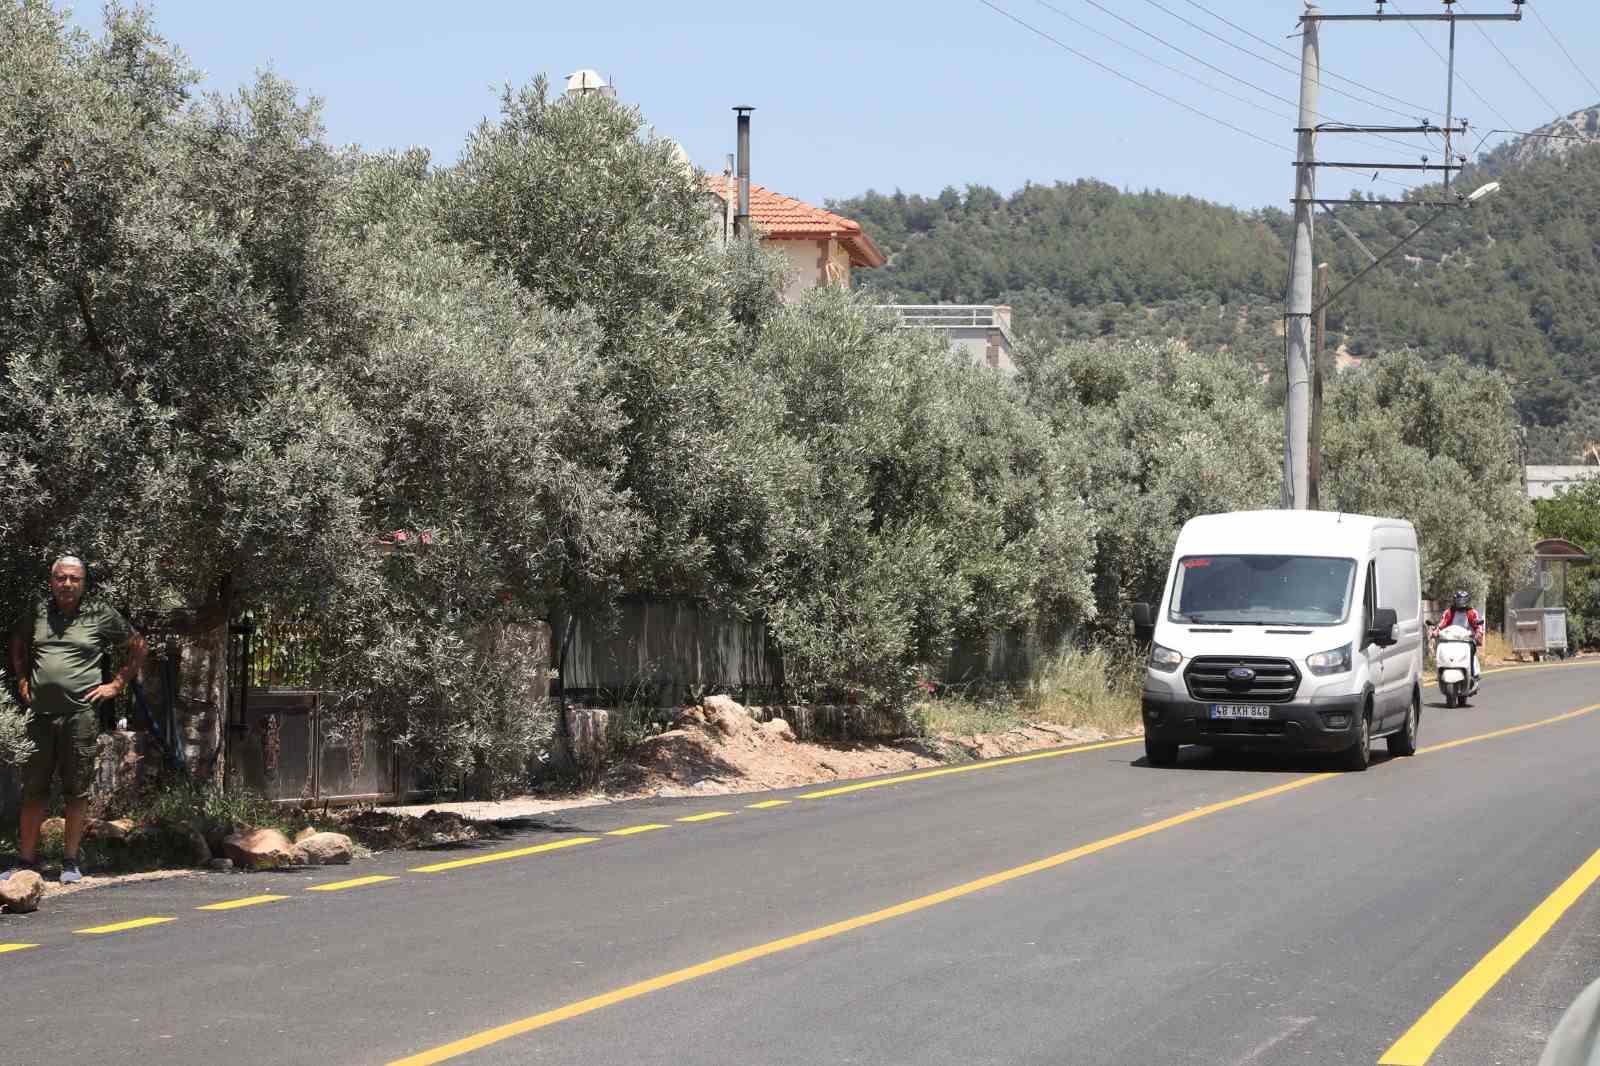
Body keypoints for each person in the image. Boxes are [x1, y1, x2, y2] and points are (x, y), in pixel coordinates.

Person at [3, 557, 145, 884]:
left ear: (83, 583)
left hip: (80, 717)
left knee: (76, 790)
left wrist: (117, 684)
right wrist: (23, 680)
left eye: (74, 579)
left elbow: (138, 646)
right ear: (52, 581)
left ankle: (70, 861)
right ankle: (26, 860)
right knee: (33, 789)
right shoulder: (37, 613)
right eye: (61, 578)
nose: (67, 584)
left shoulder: (100, 615)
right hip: (38, 718)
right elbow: (17, 644)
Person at [1436, 589, 1485, 683]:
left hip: (1467, 639)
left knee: (1471, 650)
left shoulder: (1472, 612)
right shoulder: (1449, 612)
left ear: (1467, 601)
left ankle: (1473, 673)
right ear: (1454, 601)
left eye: (1462, 600)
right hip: (1451, 639)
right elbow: (1443, 622)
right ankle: (1440, 671)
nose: (1460, 603)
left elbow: (1477, 624)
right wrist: (1436, 630)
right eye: (1458, 600)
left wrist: (1478, 633)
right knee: (1441, 648)